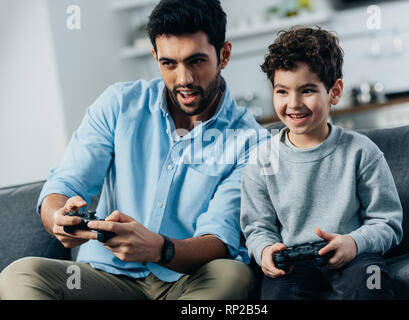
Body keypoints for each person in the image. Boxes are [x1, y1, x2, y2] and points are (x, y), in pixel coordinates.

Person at [0, 0, 269, 300]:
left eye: (196, 61)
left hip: (188, 280)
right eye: (169, 63)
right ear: (155, 56)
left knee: (232, 274)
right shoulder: (118, 105)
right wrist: (57, 217)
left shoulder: (251, 142)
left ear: (224, 55)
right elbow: (65, 183)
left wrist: (159, 248)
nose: (184, 79)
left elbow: (220, 239)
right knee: (21, 274)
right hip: (105, 278)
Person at [240, 26, 403, 300]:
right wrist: (265, 250)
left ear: (334, 91)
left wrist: (354, 242)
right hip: (292, 262)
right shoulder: (260, 161)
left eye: (307, 90)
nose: (293, 103)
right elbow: (257, 228)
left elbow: (387, 222)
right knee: (274, 295)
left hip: (356, 256)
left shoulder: (362, 151)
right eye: (282, 91)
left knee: (372, 284)